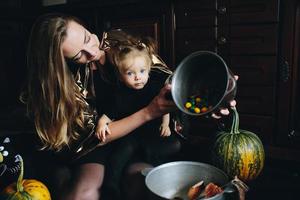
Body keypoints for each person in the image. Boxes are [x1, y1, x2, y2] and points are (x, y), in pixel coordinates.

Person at [21, 13, 236, 200]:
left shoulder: (120, 41)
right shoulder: (64, 83)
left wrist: (209, 98)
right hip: (94, 143)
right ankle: (61, 175)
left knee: (142, 187)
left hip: (141, 136)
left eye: (88, 38)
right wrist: (150, 111)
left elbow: (168, 81)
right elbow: (96, 137)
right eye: (79, 55)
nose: (92, 52)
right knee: (82, 195)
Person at [93, 31, 180, 199]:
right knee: (121, 153)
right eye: (130, 73)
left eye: (142, 71)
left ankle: (152, 165)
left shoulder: (155, 88)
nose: (137, 78)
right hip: (131, 135)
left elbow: (165, 109)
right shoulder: (119, 94)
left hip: (151, 132)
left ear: (148, 70)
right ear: (120, 75)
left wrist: (165, 124)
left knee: (174, 145)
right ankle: (111, 184)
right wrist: (101, 124)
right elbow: (108, 114)